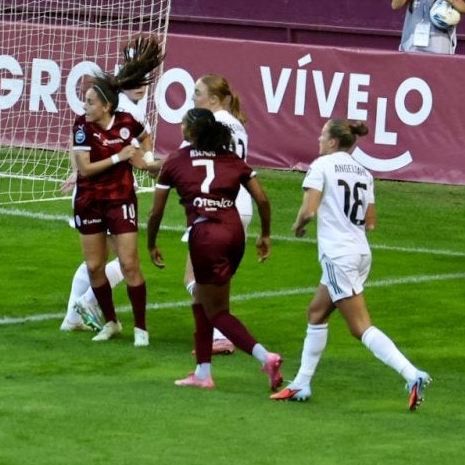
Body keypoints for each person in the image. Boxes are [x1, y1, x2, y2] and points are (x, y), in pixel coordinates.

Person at [273, 120, 432, 410]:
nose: (319, 139)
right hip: (360, 253)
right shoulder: (364, 172)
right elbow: (371, 222)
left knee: (360, 327)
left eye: (322, 135)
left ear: (333, 142)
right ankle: (300, 384)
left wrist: (297, 226)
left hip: (338, 255)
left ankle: (412, 374)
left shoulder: (321, 166)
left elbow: (308, 211)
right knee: (316, 312)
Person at [147, 108, 279, 391]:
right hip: (234, 232)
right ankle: (203, 373)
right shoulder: (231, 159)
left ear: (190, 131)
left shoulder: (176, 161)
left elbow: (156, 212)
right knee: (202, 302)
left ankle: (265, 357)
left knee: (217, 311)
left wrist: (151, 243)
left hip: (206, 235)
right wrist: (265, 234)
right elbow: (263, 199)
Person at [59, 36, 162, 344]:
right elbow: (82, 154)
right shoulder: (87, 121)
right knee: (96, 262)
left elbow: (143, 142)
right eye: (138, 82)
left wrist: (148, 159)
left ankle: (93, 314)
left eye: (90, 102)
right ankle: (84, 313)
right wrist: (77, 170)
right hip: (90, 197)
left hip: (119, 199)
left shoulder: (129, 118)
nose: (142, 87)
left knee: (125, 261)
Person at [182, 74, 252, 355]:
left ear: (213, 99)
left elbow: (187, 160)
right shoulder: (237, 125)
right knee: (217, 280)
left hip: (218, 206)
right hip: (241, 207)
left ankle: (221, 333)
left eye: (197, 93)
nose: (193, 98)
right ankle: (216, 332)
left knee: (193, 278)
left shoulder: (209, 127)